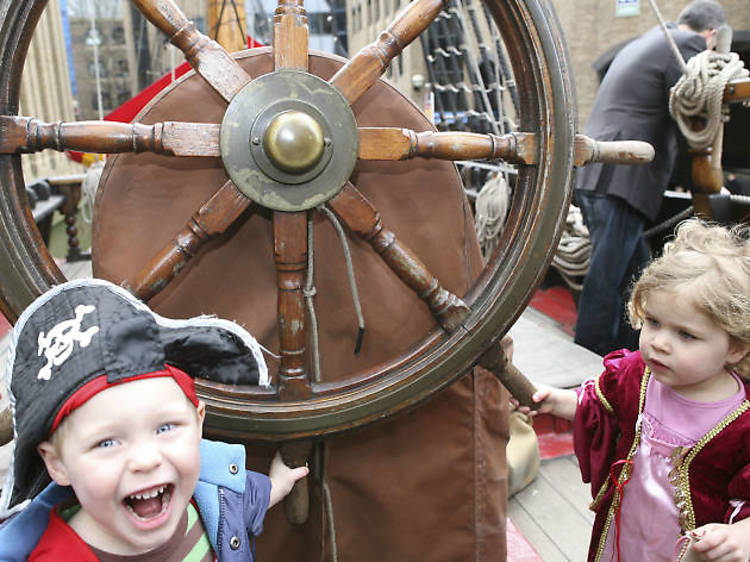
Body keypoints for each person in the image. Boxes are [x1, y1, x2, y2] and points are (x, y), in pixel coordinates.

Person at [0, 278, 308, 560]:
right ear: (57, 464)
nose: (146, 460)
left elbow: (239, 504)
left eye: (165, 427)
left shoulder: (212, 496)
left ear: (198, 423)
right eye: (107, 442)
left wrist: (276, 485)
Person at [524, 219, 750, 561]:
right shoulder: (636, 375)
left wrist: (742, 532)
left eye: (685, 335)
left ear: (735, 347)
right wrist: (558, 401)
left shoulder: (743, 424)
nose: (659, 342)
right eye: (654, 322)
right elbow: (601, 408)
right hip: (626, 528)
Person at [574, 0, 726, 356]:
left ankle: (629, 355)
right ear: (712, 35)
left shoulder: (648, 39)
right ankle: (584, 355)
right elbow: (690, 115)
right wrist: (707, 183)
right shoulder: (687, 46)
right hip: (622, 176)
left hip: (601, 172)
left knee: (637, 275)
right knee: (608, 277)